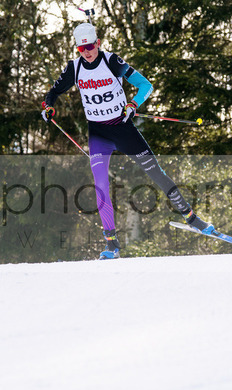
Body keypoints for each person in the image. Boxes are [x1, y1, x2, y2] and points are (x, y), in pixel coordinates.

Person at [42, 22, 213, 259]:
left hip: (123, 129)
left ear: (98, 43)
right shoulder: (74, 68)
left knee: (156, 173)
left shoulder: (111, 61)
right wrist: (48, 107)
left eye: (90, 46)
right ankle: (111, 244)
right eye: (82, 49)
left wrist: (133, 104)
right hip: (98, 135)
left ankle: (192, 218)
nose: (87, 52)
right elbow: (52, 93)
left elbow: (145, 85)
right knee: (101, 185)